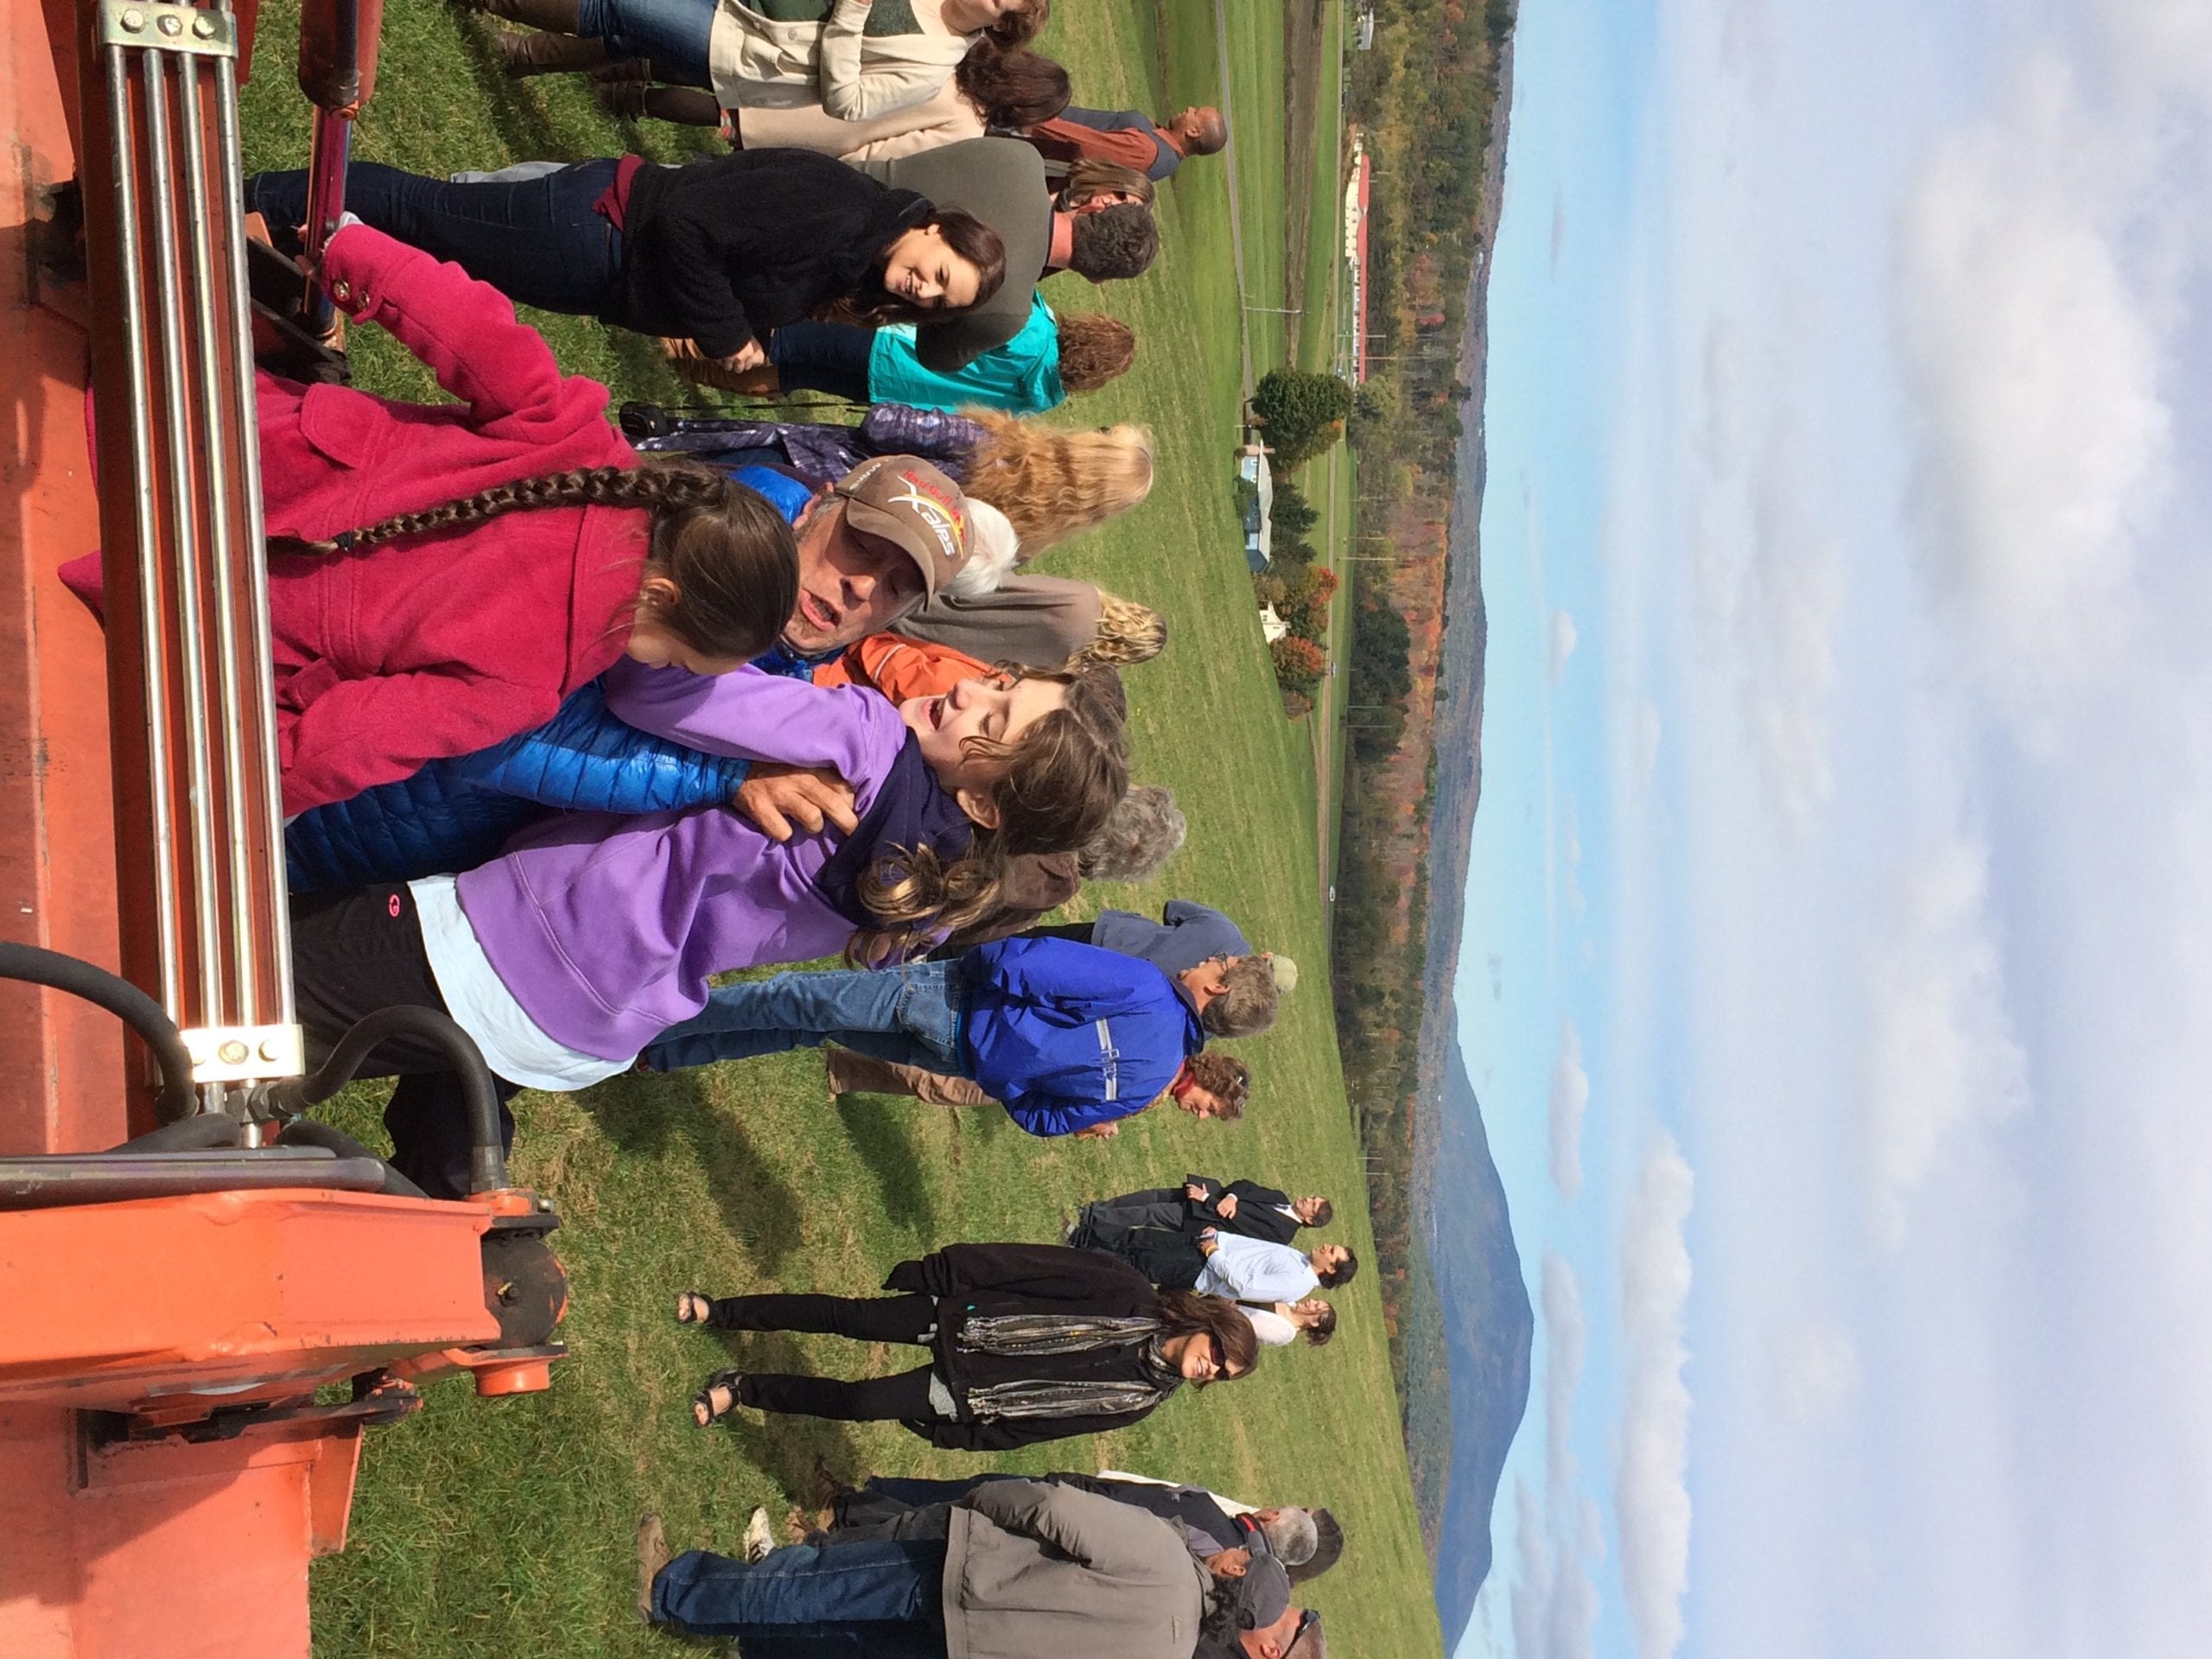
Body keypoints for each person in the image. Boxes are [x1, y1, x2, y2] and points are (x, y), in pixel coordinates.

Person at [287, 577, 1130, 1195]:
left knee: (247, 993)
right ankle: (467, 1230)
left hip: (505, 941)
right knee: (424, 1095)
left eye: (992, 721)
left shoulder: (865, 738)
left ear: (984, 804)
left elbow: (653, 685)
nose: (968, 691)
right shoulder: (939, 898)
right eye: (1000, 684)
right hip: (589, 1028)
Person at [57, 224, 798, 817]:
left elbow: (470, 326)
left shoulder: (577, 437)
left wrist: (350, 252)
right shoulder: (529, 684)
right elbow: (351, 739)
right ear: (663, 595)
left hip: (202, 434)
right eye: (675, 659)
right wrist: (247, 798)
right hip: (189, 596)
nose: (656, 668)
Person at [245, 148, 1004, 369]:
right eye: (939, 274)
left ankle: (274, 237)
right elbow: (686, 225)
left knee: (431, 232)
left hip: (600, 262)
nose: (923, 289)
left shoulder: (857, 254)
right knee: (422, 211)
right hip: (595, 230)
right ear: (934, 228)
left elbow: (745, 260)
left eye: (937, 302)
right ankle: (254, 199)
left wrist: (749, 326)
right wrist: (727, 335)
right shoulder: (840, 209)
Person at [636, 930, 1274, 1134]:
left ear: (1218, 989)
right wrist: (1006, 1077)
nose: (1208, 958)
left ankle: (642, 1025)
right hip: (959, 1061)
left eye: (1220, 962)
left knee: (793, 999)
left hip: (950, 1000)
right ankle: (664, 1055)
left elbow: (1030, 961)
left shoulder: (1145, 987)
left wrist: (970, 965)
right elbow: (1048, 1120)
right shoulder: (1148, 1085)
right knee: (810, 1026)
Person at [675, 1241, 1260, 1447]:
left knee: (859, 1404)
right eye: (1218, 1354)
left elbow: (1043, 1427)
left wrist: (962, 1437)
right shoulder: (1128, 1292)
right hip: (964, 1320)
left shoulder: (1137, 1401)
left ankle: (742, 1389)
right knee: (846, 1318)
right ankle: (722, 1311)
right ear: (1206, 1325)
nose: (1211, 1369)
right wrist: (945, 1271)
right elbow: (1030, 1266)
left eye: (1222, 1375)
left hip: (970, 1393)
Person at [638, 1478, 1254, 1652]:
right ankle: (731, 1629)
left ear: (1228, 1575)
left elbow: (1052, 1508)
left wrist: (979, 1500)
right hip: (963, 1650)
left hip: (962, 1578)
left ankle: (670, 1591)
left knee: (816, 1586)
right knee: (834, 1635)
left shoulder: (1166, 1555)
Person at [627, 404, 1154, 553]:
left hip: (810, 465)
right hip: (830, 536)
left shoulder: (994, 442)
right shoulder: (1017, 540)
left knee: (668, 481)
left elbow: (880, 423)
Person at [849, 138, 1159, 369]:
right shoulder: (1008, 313)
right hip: (841, 270)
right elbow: (936, 356)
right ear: (1096, 278)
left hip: (842, 174)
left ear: (1092, 207)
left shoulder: (1022, 158)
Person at [480, 0, 1046, 116]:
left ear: (1000, 24)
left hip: (747, 50)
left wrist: (851, 15)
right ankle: (522, 54)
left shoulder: (930, 67)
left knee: (624, 9)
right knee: (632, 36)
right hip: (744, 4)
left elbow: (847, 103)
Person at [593, 36, 1069, 160]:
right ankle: (628, 98)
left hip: (822, 76)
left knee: (722, 76)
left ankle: (625, 67)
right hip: (828, 125)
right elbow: (889, 151)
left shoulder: (961, 51)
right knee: (725, 116)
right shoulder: (966, 124)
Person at [828, 1472, 1319, 1566]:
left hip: (1067, 1508)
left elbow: (1126, 1493)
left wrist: (1069, 1482)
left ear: (1270, 1515)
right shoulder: (1225, 1570)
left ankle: (859, 1506)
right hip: (1062, 1553)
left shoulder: (1205, 1509)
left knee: (960, 1504)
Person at [825, 1043, 1248, 1125]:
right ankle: (851, 1046)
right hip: (1033, 1075)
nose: (1202, 1115)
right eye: (1210, 1106)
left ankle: (846, 1071)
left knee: (942, 1088)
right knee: (943, 1085)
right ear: (1207, 1080)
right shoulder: (1164, 1071)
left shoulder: (1165, 1081)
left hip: (1035, 1086)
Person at [1083, 1227, 1358, 1305]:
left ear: (1331, 1269)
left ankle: (1081, 1259)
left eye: (1331, 1251)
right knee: (1142, 1239)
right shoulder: (1300, 1260)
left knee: (1137, 1264)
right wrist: (1219, 1238)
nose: (1325, 1245)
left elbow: (1244, 1286)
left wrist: (1214, 1253)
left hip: (1201, 1268)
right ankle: (1084, 1235)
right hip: (1206, 1247)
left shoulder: (1296, 1284)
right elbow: (1251, 1251)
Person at [1072, 1175, 1334, 1248]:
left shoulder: (1283, 1234)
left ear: (1310, 1220)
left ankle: (1093, 1219)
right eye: (1313, 1197)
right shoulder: (1280, 1198)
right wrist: (1231, 1196)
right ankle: (1098, 1209)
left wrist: (1208, 1199)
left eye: (1312, 1204)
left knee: (1151, 1213)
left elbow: (1239, 1223)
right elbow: (1246, 1186)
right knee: (1153, 1196)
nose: (1307, 1199)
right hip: (1208, 1195)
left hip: (1204, 1217)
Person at [1021, 103, 1229, 183]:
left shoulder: (1146, 151)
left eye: (1195, 112)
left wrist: (1028, 118)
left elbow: (1080, 145)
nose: (1189, 108)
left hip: (1032, 135)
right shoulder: (1162, 148)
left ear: (1194, 132)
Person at [1236, 1297, 1338, 1349]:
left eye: (1315, 1306)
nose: (1311, 1300)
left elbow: (1244, 1324)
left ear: (1314, 1322)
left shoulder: (1284, 1332)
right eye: (1316, 1301)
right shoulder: (1289, 1301)